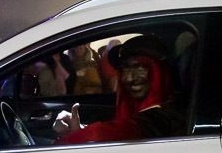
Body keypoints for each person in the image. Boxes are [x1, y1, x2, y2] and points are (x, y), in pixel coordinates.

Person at [53, 35, 185, 144]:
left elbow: (114, 132)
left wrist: (76, 137)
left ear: (159, 72)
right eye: (124, 69)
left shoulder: (164, 118)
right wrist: (80, 130)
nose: (128, 78)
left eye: (139, 67)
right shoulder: (146, 115)